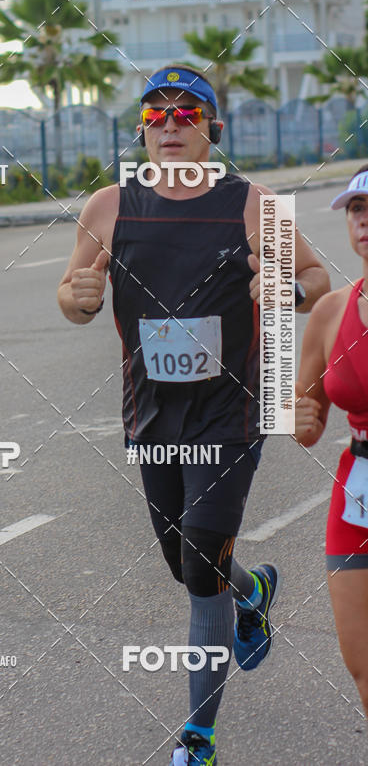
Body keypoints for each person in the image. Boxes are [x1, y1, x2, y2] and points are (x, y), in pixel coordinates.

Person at [57, 65, 330, 765]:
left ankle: (197, 739)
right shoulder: (108, 206)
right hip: (150, 417)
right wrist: (79, 296)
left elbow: (316, 278)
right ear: (142, 127)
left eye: (187, 113)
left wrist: (286, 290)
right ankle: (255, 591)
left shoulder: (253, 204)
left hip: (231, 413)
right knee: (189, 566)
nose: (170, 124)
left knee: (202, 560)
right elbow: (74, 297)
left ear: (214, 127)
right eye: (156, 114)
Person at [294, 166, 368, 719]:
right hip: (358, 490)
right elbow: (307, 417)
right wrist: (299, 419)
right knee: (362, 663)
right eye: (356, 210)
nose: (364, 221)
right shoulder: (329, 312)